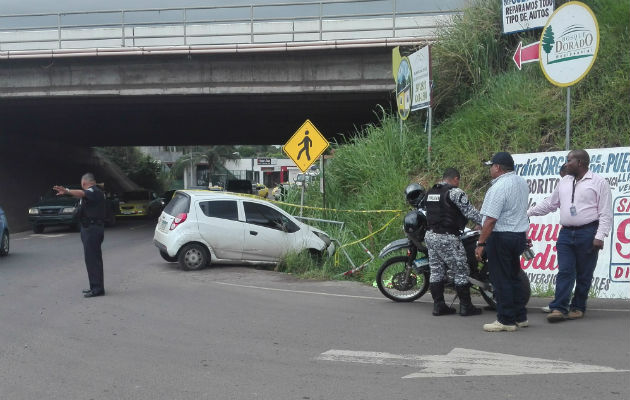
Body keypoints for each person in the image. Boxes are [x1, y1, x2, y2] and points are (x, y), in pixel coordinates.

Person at [527, 149, 612, 322]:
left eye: (569, 160)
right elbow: (551, 204)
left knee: (584, 274)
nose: (566, 164)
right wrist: (528, 212)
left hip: (588, 232)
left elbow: (606, 213)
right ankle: (559, 308)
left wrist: (600, 236)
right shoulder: (565, 181)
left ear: (580, 163)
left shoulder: (599, 182)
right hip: (565, 233)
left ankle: (578, 307)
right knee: (565, 271)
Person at [475, 152, 529, 332]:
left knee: (501, 279)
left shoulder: (498, 187)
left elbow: (490, 220)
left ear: (497, 167)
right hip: (518, 235)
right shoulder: (521, 182)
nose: (490, 169)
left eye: (491, 166)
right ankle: (520, 316)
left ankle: (505, 320)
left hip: (501, 237)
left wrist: (481, 243)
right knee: (514, 276)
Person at [424, 168, 483, 316]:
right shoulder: (455, 192)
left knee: (436, 271)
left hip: (431, 235)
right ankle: (466, 307)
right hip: (447, 237)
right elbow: (471, 213)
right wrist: (486, 223)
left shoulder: (431, 192)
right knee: (461, 270)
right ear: (455, 179)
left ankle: (439, 306)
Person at [53, 173, 106, 298]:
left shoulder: (94, 191)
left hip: (93, 229)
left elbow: (82, 194)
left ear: (84, 183)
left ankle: (97, 289)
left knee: (93, 260)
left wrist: (66, 191)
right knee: (91, 259)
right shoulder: (94, 192)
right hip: (89, 228)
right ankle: (94, 286)